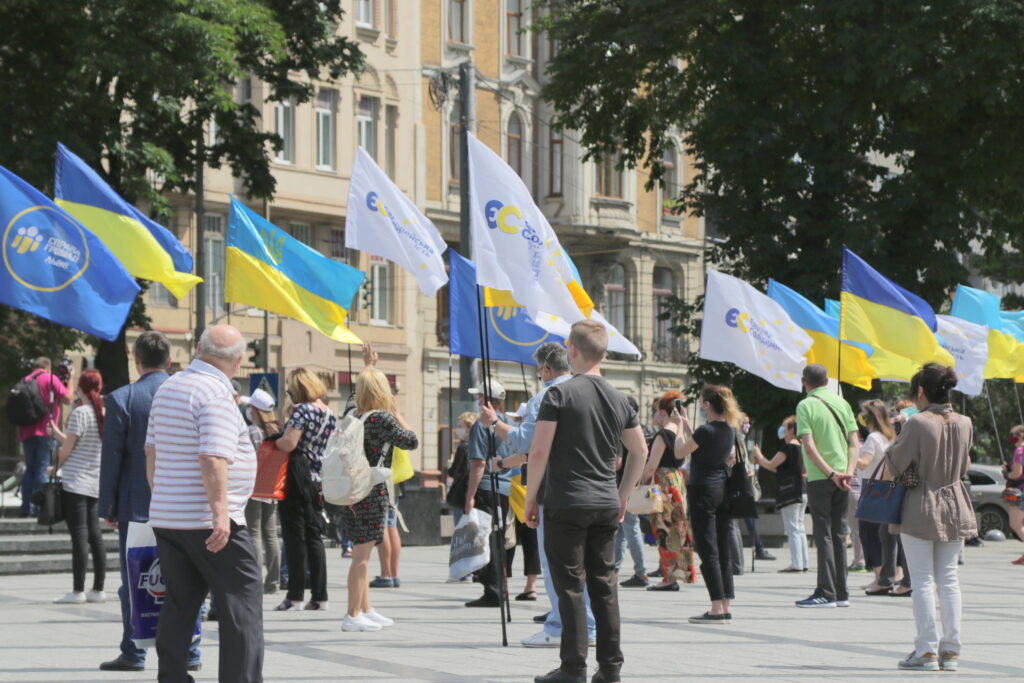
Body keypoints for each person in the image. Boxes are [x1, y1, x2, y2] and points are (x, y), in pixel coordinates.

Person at [524, 319, 648, 683]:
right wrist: (622, 495)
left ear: (572, 350)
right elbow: (639, 451)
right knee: (605, 586)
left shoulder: (558, 395)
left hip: (566, 501)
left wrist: (531, 498)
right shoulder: (619, 398)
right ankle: (610, 668)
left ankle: (573, 668)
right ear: (603, 354)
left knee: (570, 587)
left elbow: (539, 451)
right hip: (605, 502)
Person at [146, 325, 261, 683]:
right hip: (210, 522)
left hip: (169, 518)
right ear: (238, 362)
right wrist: (220, 514)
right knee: (242, 605)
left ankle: (172, 678)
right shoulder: (216, 393)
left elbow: (151, 451)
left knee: (179, 604)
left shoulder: (169, 387)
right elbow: (212, 458)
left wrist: (163, 496)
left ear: (198, 348)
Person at [95, 332, 203, 673]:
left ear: (136, 359)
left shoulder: (123, 398)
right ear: (169, 361)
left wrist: (108, 506)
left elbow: (112, 457)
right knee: (187, 578)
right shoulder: (191, 395)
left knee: (134, 580)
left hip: (137, 505)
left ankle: (134, 652)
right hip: (185, 504)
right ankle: (191, 651)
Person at [481, 342, 592, 648]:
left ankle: (559, 626)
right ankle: (589, 626)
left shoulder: (545, 397)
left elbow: (525, 443)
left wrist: (495, 422)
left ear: (546, 369)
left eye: (538, 371)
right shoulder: (591, 392)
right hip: (593, 489)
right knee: (584, 565)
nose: (539, 376)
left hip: (555, 489)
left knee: (556, 562)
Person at [885, 363, 977, 672]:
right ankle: (950, 651)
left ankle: (926, 650)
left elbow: (894, 463)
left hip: (921, 503)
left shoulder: (918, 422)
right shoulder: (965, 422)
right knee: (949, 579)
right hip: (955, 503)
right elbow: (964, 466)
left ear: (921, 391)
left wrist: (900, 434)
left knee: (922, 579)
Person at [340, 368, 417, 632]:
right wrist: (397, 413)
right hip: (372, 490)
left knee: (362, 551)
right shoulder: (381, 418)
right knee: (361, 556)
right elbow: (411, 440)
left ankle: (365, 608)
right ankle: (352, 614)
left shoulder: (354, 416)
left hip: (353, 489)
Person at [666, 385, 741, 623]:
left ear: (707, 405)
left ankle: (716, 607)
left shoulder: (705, 431)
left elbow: (680, 452)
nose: (700, 405)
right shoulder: (728, 429)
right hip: (722, 490)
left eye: (701, 402)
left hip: (703, 491)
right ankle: (725, 605)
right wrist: (688, 426)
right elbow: (702, 444)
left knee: (708, 550)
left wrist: (678, 426)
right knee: (723, 548)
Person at [794, 364, 859, 608]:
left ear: (804, 382)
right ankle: (841, 592)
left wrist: (830, 473)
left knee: (823, 533)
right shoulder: (842, 403)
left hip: (821, 476)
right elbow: (854, 442)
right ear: (826, 381)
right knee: (839, 533)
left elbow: (809, 446)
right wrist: (848, 471)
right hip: (844, 476)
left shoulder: (805, 405)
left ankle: (825, 591)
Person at [273, 368, 335, 611]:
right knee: (314, 537)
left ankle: (295, 596)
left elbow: (289, 443)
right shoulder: (328, 412)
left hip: (296, 477)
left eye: (291, 389)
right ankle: (320, 596)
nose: (290, 393)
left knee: (294, 537)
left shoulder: (302, 410)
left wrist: (273, 440)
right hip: (317, 478)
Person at [48, 369, 106, 604]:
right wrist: (58, 435)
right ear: (99, 388)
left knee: (79, 536)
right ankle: (98, 589)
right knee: (95, 535)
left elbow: (68, 449)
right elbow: (81, 444)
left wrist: (55, 468)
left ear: (80, 388)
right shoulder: (104, 412)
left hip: (76, 481)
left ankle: (77, 590)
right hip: (95, 481)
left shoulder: (80, 413)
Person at [463, 379, 515, 608]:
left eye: (479, 396)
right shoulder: (506, 423)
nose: (477, 400)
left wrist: (469, 496)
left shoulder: (481, 425)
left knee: (487, 539)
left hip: (486, 487)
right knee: (499, 537)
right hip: (504, 487)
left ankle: (493, 590)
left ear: (486, 399)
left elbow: (478, 463)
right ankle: (501, 586)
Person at [641, 391, 696, 591]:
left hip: (662, 483)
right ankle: (680, 572)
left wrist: (641, 484)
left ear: (663, 412)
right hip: (677, 481)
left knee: (663, 529)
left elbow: (651, 466)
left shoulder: (662, 435)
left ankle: (668, 577)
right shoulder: (680, 433)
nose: (655, 415)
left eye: (657, 411)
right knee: (678, 529)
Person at [857, 400, 911, 596]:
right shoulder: (889, 436)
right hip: (890, 488)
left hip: (877, 489)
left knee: (874, 534)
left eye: (863, 413)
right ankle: (889, 578)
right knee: (888, 534)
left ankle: (889, 579)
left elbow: (864, 463)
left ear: (869, 417)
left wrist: (849, 451)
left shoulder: (873, 437)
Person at [752, 416, 809, 573]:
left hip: (790, 492)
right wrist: (761, 461)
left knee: (792, 529)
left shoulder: (788, 448)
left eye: (784, 427)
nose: (781, 430)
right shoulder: (801, 447)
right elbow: (777, 468)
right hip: (801, 491)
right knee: (799, 528)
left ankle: (796, 563)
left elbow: (771, 463)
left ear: (791, 430)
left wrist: (759, 454)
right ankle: (803, 562)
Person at [18, 357, 72, 517]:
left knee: (29, 469)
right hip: (46, 431)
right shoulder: (50, 378)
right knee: (42, 468)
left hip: (26, 432)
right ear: (48, 368)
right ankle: (40, 508)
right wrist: (69, 379)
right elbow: (67, 399)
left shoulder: (25, 380)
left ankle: (25, 508)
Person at [244, 388, 283, 595]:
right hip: (272, 487)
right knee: (271, 534)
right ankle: (273, 582)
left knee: (254, 533)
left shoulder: (251, 431)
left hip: (253, 487)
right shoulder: (277, 432)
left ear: (255, 410)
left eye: (250, 407)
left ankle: (255, 579)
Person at [615, 396, 651, 588]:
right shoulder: (641, 429)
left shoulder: (622, 430)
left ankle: (641, 572)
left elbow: (617, 463)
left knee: (630, 528)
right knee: (622, 530)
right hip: (633, 484)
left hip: (624, 486)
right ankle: (614, 569)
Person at [738, 415, 776, 562]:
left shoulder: (741, 439)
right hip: (739, 484)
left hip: (744, 482)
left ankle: (759, 547)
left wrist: (750, 468)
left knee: (748, 518)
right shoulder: (736, 438)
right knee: (744, 519)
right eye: (745, 423)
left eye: (748, 423)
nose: (747, 426)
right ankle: (758, 548)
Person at [447, 412, 476, 526]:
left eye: (460, 426)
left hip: (461, 495)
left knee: (461, 528)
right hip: (477, 494)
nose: (457, 429)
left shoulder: (462, 448)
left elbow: (453, 472)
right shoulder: (480, 445)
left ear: (469, 428)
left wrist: (450, 464)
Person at [1003, 425, 1024, 564]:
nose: (1010, 438)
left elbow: (1017, 474)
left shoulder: (1019, 451)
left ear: (1020, 436)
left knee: (1015, 524)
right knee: (1021, 523)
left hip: (1020, 490)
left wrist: (1007, 473)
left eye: (1013, 435)